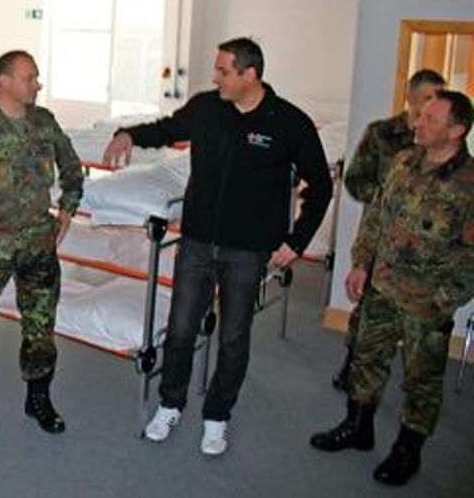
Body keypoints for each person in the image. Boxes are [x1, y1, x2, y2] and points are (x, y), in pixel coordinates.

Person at [103, 37, 332, 455]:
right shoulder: (207, 108)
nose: (215, 78)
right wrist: (128, 134)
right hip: (197, 243)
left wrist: (296, 241)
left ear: (250, 74)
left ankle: (217, 416)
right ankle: (170, 405)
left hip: (247, 251)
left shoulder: (288, 122)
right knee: (180, 330)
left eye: (223, 71)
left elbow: (321, 185)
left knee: (233, 338)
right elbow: (167, 128)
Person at [310, 90, 474, 486]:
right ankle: (357, 427)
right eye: (421, 115)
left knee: (421, 380)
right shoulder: (403, 162)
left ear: (457, 130)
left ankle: (407, 451)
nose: (418, 123)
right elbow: (376, 217)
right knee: (366, 358)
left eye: (431, 119)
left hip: (426, 302)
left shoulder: (469, 185)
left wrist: (442, 300)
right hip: (381, 287)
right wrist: (360, 264)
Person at [0, 50, 84, 433]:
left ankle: (38, 397)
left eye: (36, 77)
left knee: (41, 329)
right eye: (29, 77)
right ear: (3, 81)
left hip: (38, 245)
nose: (37, 84)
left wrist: (67, 208)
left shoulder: (44, 122)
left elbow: (72, 168)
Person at [333, 69, 445, 390]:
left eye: (438, 98)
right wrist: (390, 201)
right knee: (368, 310)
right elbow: (356, 181)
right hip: (380, 236)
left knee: (419, 321)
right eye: (428, 97)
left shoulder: (439, 138)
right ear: (410, 97)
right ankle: (352, 366)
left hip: (422, 245)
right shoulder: (382, 134)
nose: (433, 104)